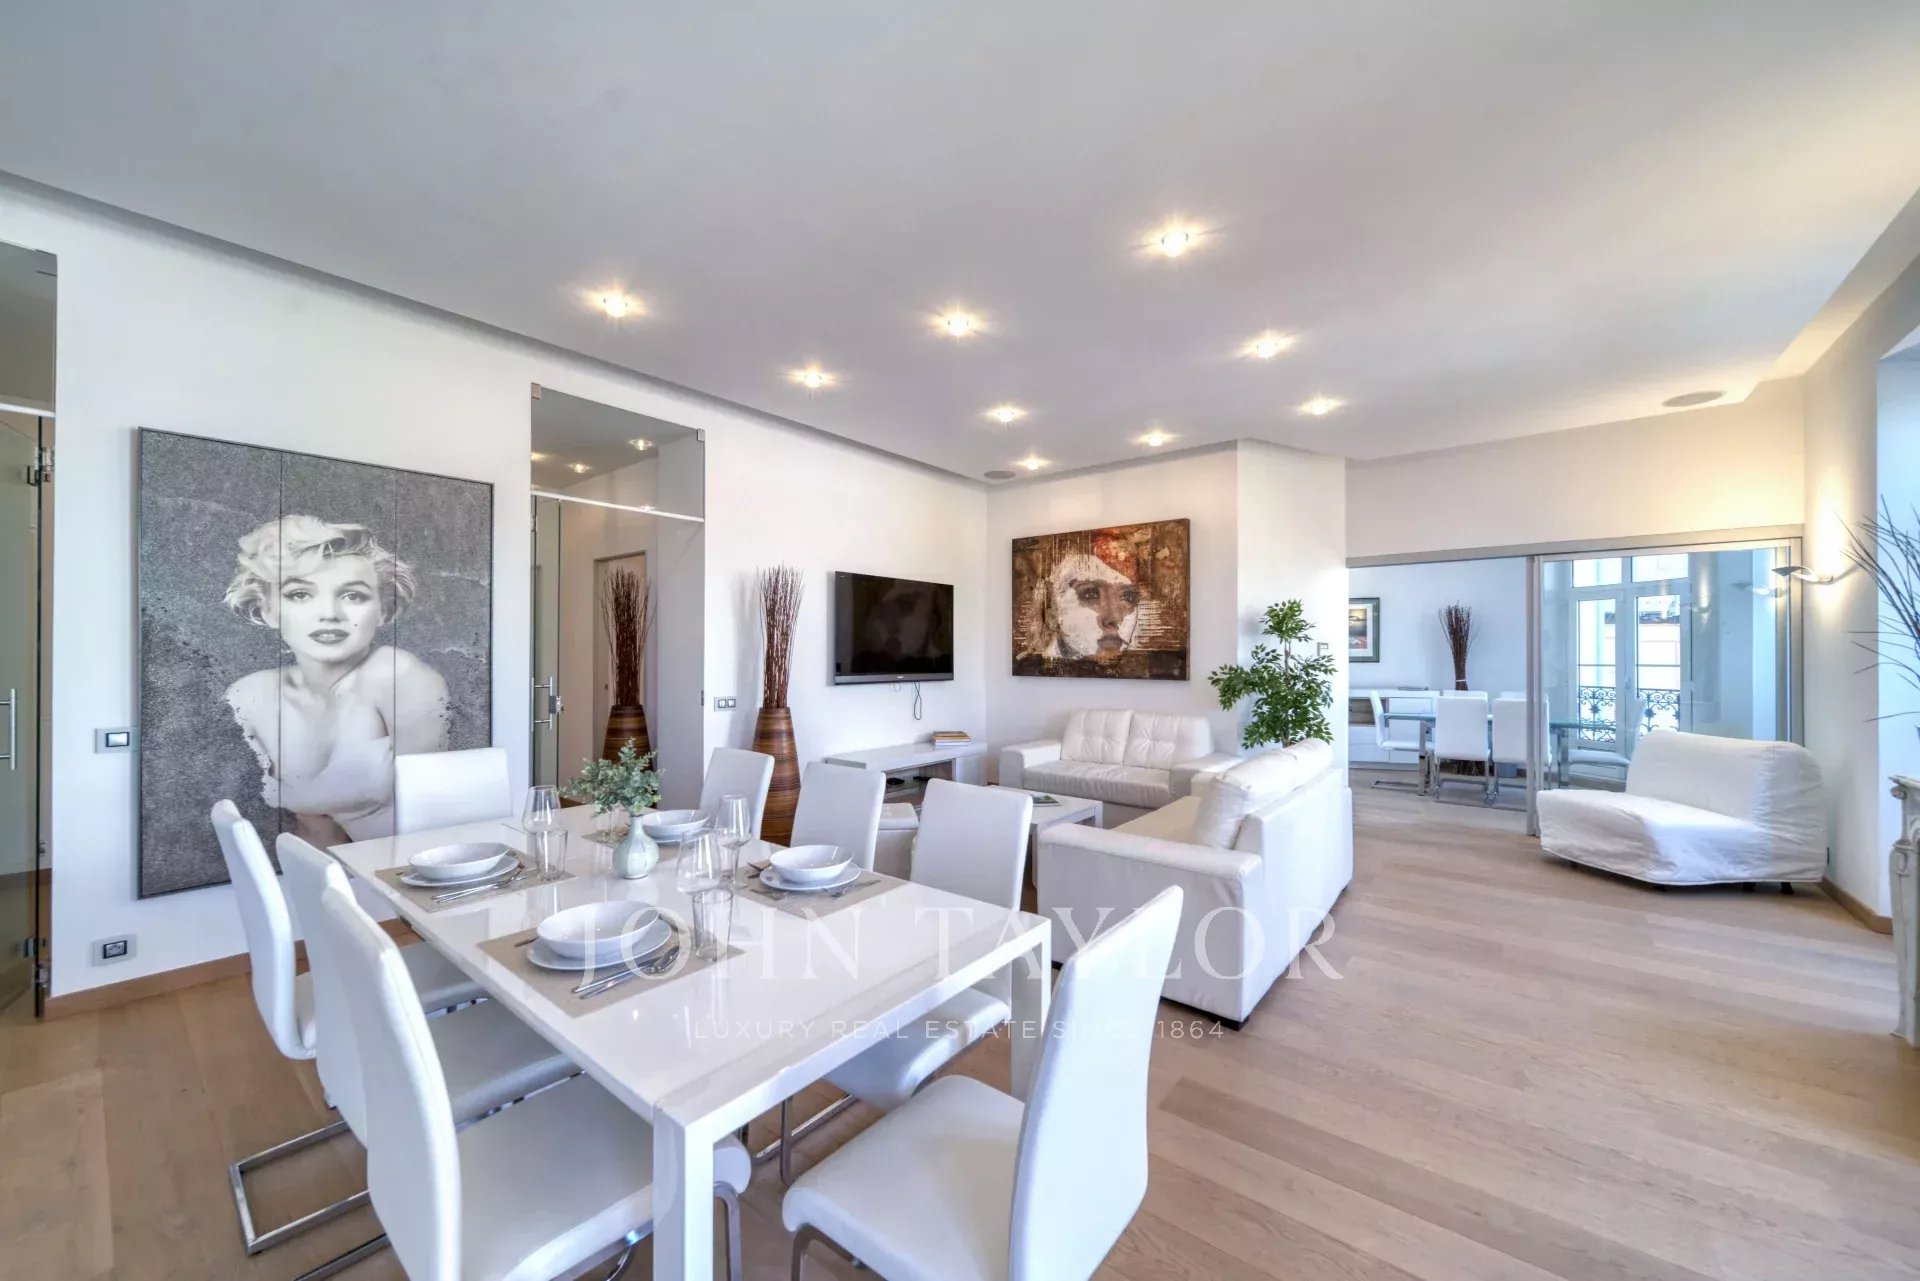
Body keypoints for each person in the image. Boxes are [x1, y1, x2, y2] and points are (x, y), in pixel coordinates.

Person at [222, 515, 449, 844]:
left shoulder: (399, 676)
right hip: (314, 865)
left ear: (383, 610)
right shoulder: (250, 695)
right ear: (267, 610)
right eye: (300, 594)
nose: (329, 614)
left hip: (402, 864)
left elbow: (432, 811)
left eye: (353, 596)